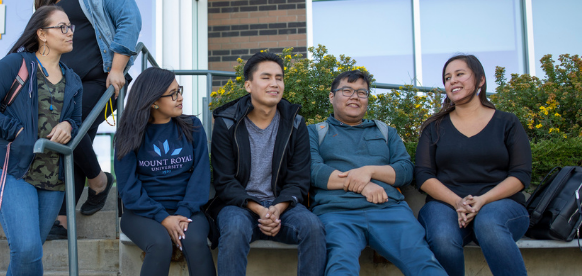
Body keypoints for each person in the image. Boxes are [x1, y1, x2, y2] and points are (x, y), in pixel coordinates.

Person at [36, 0, 142, 237]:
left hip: (99, 81)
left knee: (70, 132)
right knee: (69, 147)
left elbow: (129, 20)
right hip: (64, 85)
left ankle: (99, 182)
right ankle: (63, 221)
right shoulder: (52, 3)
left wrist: (118, 68)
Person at [0, 5, 83, 275]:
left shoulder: (74, 80)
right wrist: (15, 130)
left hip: (53, 179)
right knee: (27, 250)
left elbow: (77, 122)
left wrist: (69, 125)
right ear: (42, 34)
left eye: (71, 27)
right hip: (13, 170)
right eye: (62, 27)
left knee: (29, 253)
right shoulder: (16, 64)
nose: (70, 33)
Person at [308, 70, 447, 276]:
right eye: (347, 90)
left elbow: (406, 170)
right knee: (340, 267)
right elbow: (313, 171)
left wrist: (369, 170)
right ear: (331, 96)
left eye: (361, 93)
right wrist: (364, 184)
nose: (355, 97)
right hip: (337, 214)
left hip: (390, 211)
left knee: (425, 265)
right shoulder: (314, 132)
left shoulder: (385, 132)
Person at [209, 52, 326, 276]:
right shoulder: (226, 123)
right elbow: (224, 181)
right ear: (248, 85)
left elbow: (298, 179)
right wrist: (259, 209)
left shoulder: (295, 123)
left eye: (279, 78)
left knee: (313, 227)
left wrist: (277, 208)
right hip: (240, 207)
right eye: (266, 77)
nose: (274, 83)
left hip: (283, 206)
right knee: (234, 230)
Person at [416, 55, 532, 276]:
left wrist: (483, 201)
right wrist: (458, 202)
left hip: (501, 204)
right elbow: (423, 175)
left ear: (480, 80)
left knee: (488, 224)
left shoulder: (507, 123)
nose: (452, 81)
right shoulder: (434, 127)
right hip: (445, 206)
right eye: (447, 77)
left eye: (460, 74)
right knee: (442, 237)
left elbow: (520, 175)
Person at [115, 67, 215, 276]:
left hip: (188, 211)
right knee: (160, 244)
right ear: (153, 101)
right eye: (173, 94)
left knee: (195, 241)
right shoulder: (129, 135)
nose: (180, 98)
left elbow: (201, 177)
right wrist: (162, 217)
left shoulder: (192, 127)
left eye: (179, 91)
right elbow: (128, 189)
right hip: (142, 213)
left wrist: (183, 212)